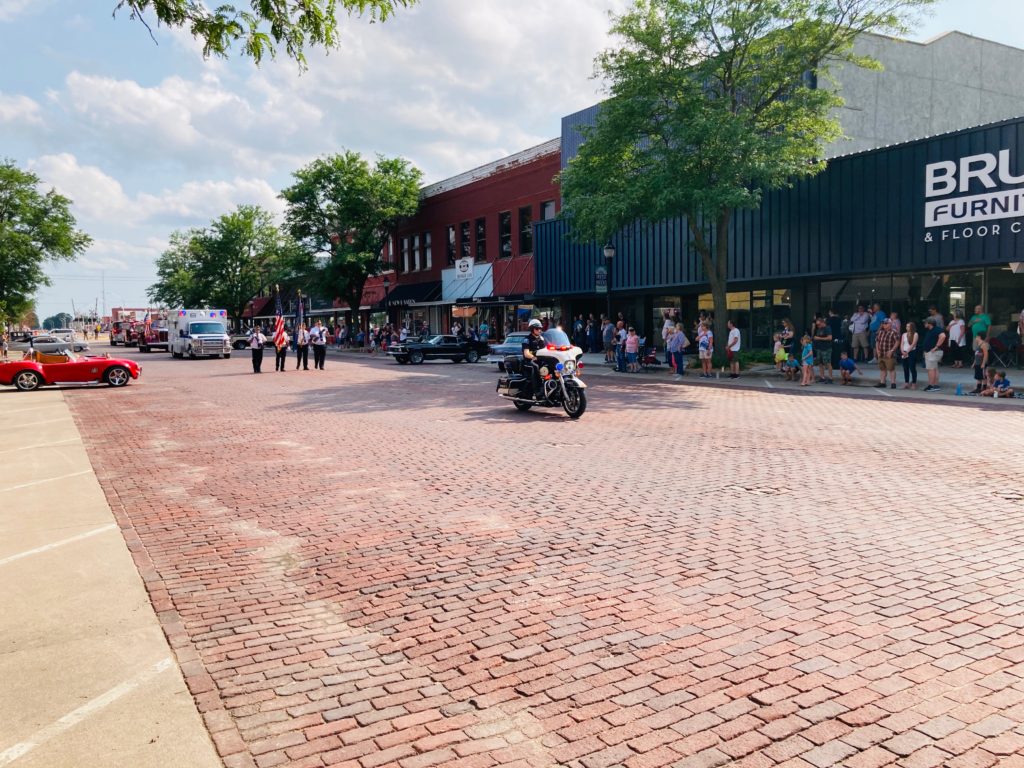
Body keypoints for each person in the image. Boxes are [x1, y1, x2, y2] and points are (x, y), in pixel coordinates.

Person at [521, 319, 546, 396]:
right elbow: (526, 353)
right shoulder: (527, 340)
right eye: (537, 328)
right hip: (528, 362)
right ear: (532, 329)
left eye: (540, 328)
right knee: (536, 367)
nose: (539, 330)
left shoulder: (542, 339)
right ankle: (537, 390)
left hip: (540, 360)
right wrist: (533, 357)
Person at [921, 316, 946, 392]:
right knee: (935, 368)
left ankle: (931, 385)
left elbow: (943, 336)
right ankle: (935, 385)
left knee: (931, 369)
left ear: (929, 323)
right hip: (931, 352)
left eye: (925, 322)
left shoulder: (936, 330)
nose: (924, 324)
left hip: (933, 352)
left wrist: (936, 347)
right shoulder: (931, 330)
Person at [873, 316, 899, 389]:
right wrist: (877, 350)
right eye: (883, 323)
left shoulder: (894, 332)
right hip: (881, 353)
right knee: (882, 368)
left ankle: (893, 383)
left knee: (891, 368)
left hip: (889, 354)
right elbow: (877, 341)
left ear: (890, 324)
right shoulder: (880, 332)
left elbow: (897, 342)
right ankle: (882, 382)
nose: (884, 325)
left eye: (886, 323)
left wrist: (892, 351)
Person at [811, 317, 833, 383]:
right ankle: (822, 377)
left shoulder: (827, 328)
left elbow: (830, 338)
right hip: (819, 348)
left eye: (819, 324)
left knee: (828, 363)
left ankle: (830, 378)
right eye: (817, 325)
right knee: (820, 363)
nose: (818, 326)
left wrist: (819, 338)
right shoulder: (819, 329)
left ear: (823, 323)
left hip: (826, 348)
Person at [900, 321, 919, 389]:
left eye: (908, 326)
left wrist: (907, 351)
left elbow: (913, 344)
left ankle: (914, 383)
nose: (907, 327)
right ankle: (906, 382)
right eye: (906, 326)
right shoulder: (904, 334)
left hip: (911, 352)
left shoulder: (915, 334)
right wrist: (902, 351)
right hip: (904, 352)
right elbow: (902, 343)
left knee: (912, 368)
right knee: (905, 368)